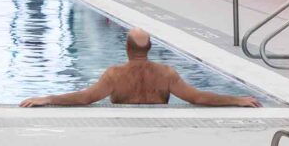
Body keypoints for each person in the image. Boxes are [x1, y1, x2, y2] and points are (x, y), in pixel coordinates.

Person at [20, 29, 262, 107]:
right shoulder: (167, 74)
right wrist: (236, 100)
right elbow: (198, 97)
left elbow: (85, 98)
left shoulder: (114, 75)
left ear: (126, 47)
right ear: (150, 47)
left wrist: (48, 98)